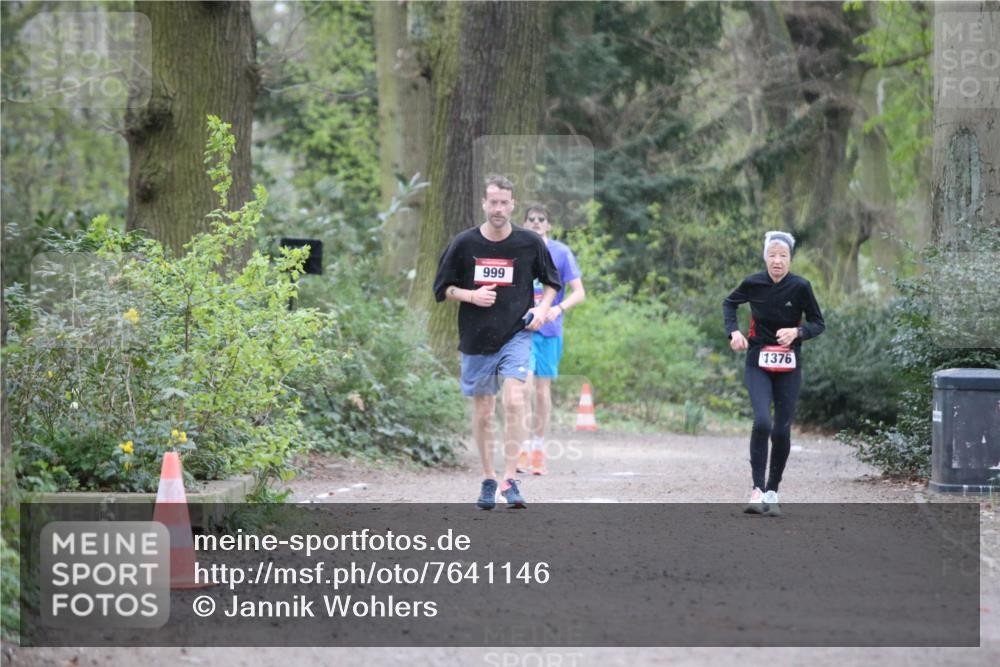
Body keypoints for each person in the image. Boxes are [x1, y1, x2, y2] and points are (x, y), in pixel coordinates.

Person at [433, 175, 561, 509]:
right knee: (484, 411)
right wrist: (470, 296)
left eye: (504, 202)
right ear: (484, 204)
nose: (499, 209)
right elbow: (442, 289)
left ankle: (510, 479)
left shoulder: (529, 242)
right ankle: (489, 478)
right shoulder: (464, 244)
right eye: (493, 202)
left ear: (513, 204)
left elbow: (552, 283)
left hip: (516, 333)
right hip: (476, 337)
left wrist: (543, 308)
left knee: (516, 399)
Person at [722, 231, 825, 517]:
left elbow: (818, 323)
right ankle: (756, 489)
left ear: (790, 259)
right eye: (772, 255)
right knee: (763, 422)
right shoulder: (753, 283)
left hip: (789, 366)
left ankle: (772, 491)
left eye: (783, 256)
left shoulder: (801, 287)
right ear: (765, 257)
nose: (777, 261)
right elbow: (729, 303)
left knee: (781, 429)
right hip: (758, 361)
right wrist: (733, 332)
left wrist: (798, 332)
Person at [519, 204, 585, 475]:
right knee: (522, 388)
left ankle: (538, 448)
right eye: (530, 219)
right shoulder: (517, 249)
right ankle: (521, 449)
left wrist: (557, 309)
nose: (535, 222)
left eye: (541, 219)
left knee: (541, 391)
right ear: (524, 223)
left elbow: (579, 292)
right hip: (521, 331)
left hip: (549, 330)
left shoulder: (561, 252)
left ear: (548, 224)